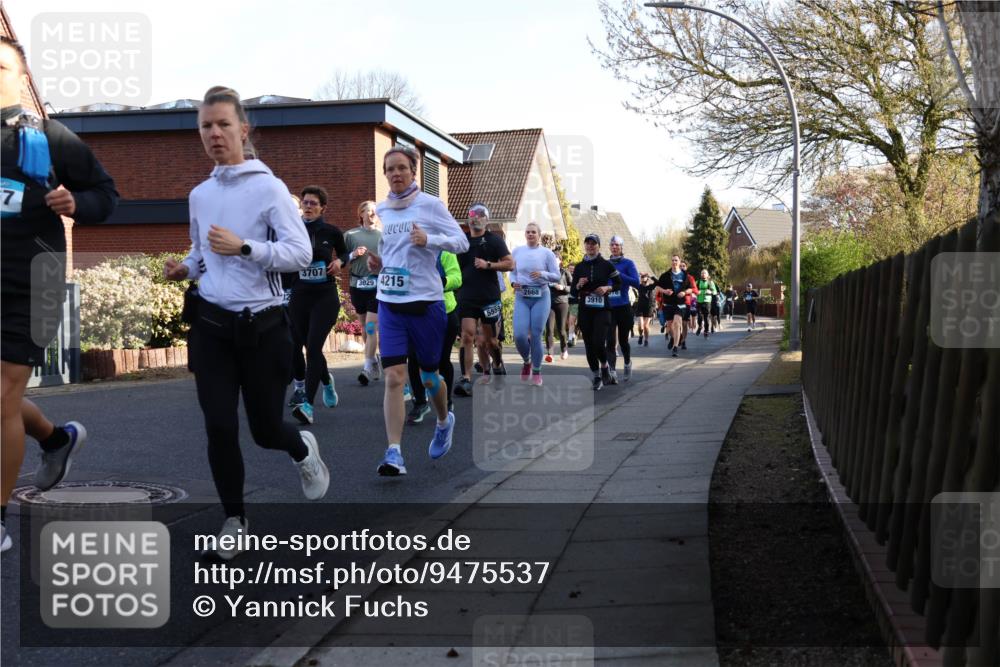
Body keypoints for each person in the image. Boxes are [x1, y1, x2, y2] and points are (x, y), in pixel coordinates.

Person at [163, 86, 328, 559]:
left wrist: (246, 248)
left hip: (263, 328)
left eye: (223, 124)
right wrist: (186, 267)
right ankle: (234, 519)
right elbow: (201, 254)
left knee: (263, 429)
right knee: (218, 426)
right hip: (213, 327)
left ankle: (301, 448)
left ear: (243, 129)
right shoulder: (200, 194)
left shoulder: (269, 188)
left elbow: (300, 254)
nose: (214, 134)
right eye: (205, 126)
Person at [0, 36, 119, 553]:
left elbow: (106, 197)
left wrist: (75, 200)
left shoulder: (50, 136)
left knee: (1, 395)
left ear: (22, 78)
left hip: (34, 281)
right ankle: (55, 438)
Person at [367, 145, 469, 476]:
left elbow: (461, 243)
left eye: (401, 168)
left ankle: (443, 420)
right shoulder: (383, 209)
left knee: (428, 377)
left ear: (414, 171)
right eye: (389, 169)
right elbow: (392, 252)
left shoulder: (431, 205)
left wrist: (431, 240)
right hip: (390, 302)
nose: (395, 174)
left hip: (426, 303)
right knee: (395, 377)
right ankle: (393, 452)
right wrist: (378, 263)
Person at [287, 185, 346, 425]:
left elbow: (346, 253)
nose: (308, 206)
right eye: (305, 202)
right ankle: (327, 381)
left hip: (324, 296)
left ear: (322, 207)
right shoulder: (291, 230)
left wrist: (340, 262)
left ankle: (308, 405)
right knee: (298, 345)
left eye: (313, 203)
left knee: (313, 347)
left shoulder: (331, 231)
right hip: (299, 295)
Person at [454, 203, 513, 396]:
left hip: (489, 297)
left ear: (486, 220)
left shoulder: (494, 241)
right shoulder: (462, 242)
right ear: (468, 219)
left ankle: (497, 365)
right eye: (472, 214)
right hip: (466, 296)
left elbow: (510, 264)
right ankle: (466, 378)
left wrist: (488, 264)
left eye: (480, 215)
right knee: (467, 336)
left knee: (491, 341)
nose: (476, 218)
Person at [406, 250, 461, 423]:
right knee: (413, 357)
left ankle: (447, 400)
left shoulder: (444, 252)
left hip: (444, 311)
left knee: (442, 359)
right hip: (416, 313)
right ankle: (420, 402)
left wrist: (439, 282)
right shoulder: (409, 251)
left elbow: (457, 278)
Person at [570, 234, 622, 391]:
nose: (590, 246)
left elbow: (618, 283)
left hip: (602, 309)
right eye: (588, 244)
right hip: (585, 309)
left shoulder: (606, 265)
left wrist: (607, 288)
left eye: (594, 244)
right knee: (588, 344)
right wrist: (578, 284)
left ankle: (605, 366)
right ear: (585, 246)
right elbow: (573, 291)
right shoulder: (579, 267)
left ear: (598, 246)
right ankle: (596, 375)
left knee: (599, 341)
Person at [510, 223, 560, 386]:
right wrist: (513, 283)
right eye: (528, 232)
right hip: (522, 296)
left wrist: (542, 274)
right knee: (519, 335)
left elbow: (556, 276)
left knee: (537, 333)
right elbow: (512, 272)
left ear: (539, 235)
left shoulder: (547, 253)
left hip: (541, 295)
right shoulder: (517, 251)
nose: (530, 234)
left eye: (533, 232)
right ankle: (527, 361)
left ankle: (537, 371)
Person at [345, 200, 383, 385]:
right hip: (357, 284)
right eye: (368, 211)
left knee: (370, 326)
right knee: (365, 328)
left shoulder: (383, 235)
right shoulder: (351, 235)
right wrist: (353, 255)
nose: (371, 214)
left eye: (374, 211)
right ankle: (373, 359)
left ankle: (367, 367)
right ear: (361, 214)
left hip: (377, 285)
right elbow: (342, 260)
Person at [605, 235, 640, 382]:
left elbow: (636, 282)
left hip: (624, 306)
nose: (614, 247)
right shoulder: (605, 264)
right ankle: (612, 371)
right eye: (612, 245)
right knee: (610, 341)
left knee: (623, 340)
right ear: (609, 247)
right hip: (609, 307)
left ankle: (627, 362)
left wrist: (620, 275)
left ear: (621, 247)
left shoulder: (628, 263)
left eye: (617, 245)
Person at [655, 255, 694, 358]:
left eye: (676, 260)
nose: (674, 262)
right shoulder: (666, 275)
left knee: (677, 323)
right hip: (668, 304)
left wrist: (685, 293)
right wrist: (665, 291)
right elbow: (658, 286)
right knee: (669, 325)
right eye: (672, 260)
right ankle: (673, 338)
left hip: (680, 304)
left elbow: (691, 289)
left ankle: (675, 347)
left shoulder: (685, 275)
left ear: (679, 261)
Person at [545, 253, 573, 361]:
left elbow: (573, 287)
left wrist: (563, 287)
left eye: (555, 259)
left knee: (561, 330)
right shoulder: (547, 273)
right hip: (549, 303)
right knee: (549, 329)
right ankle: (550, 353)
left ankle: (564, 349)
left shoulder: (565, 272)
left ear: (560, 261)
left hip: (562, 302)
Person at [695, 269, 720, 338]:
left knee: (706, 317)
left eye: (705, 273)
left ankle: (706, 331)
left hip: (707, 301)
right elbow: (694, 290)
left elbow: (714, 292)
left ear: (707, 275)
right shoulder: (697, 282)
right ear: (700, 274)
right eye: (702, 273)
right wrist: (696, 292)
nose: (703, 274)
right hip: (699, 301)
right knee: (699, 316)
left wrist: (710, 291)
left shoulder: (710, 282)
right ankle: (700, 326)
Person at [635, 273, 656, 347]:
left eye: (644, 277)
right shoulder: (639, 286)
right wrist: (638, 275)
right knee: (641, 326)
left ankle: (646, 340)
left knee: (646, 326)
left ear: (647, 278)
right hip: (640, 307)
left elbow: (657, 282)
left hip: (649, 308)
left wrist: (650, 275)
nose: (643, 278)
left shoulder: (651, 287)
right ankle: (641, 336)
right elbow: (633, 281)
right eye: (642, 277)